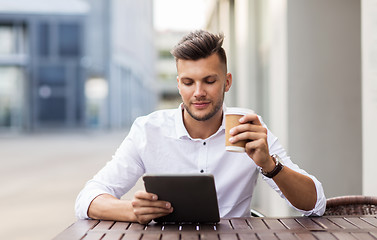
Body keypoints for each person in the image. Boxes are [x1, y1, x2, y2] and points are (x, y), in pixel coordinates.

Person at [75, 30, 326, 224]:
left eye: (209, 81)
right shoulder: (148, 130)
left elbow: (316, 204)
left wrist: (270, 165)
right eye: (188, 82)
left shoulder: (248, 128)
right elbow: (87, 198)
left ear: (227, 82)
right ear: (178, 85)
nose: (198, 93)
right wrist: (131, 210)